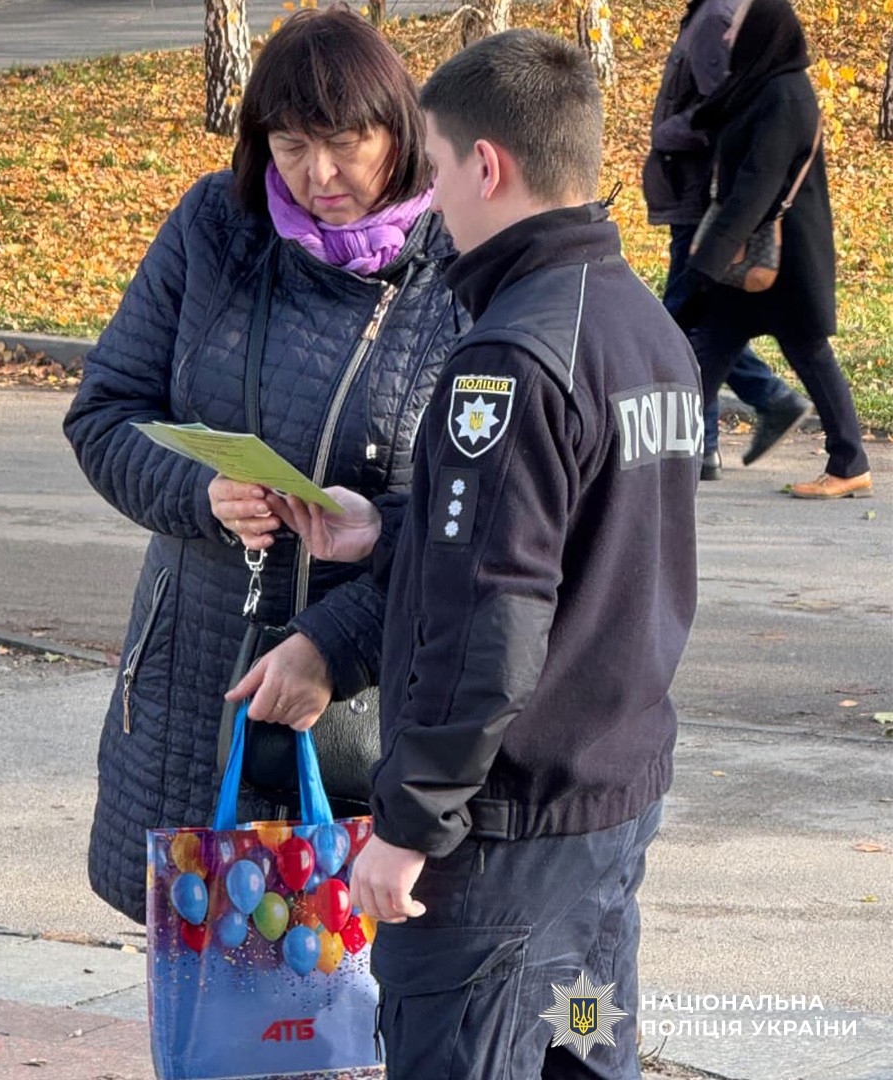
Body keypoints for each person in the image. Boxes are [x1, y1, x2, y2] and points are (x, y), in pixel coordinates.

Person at [272, 29, 701, 1078]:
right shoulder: (646, 328)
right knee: (584, 1057)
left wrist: (408, 829)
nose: (429, 191)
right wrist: (394, 529)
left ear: (488, 165)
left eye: (434, 158)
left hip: (497, 858)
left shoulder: (511, 358)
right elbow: (579, 546)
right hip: (606, 817)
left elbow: (492, 615)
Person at [63, 6, 467, 924]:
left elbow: (476, 512)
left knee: (340, 974)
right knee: (204, 979)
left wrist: (338, 639)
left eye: (345, 143)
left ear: (398, 129)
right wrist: (202, 494)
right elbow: (105, 413)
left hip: (363, 689)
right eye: (290, 146)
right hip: (195, 669)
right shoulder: (218, 224)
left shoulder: (455, 263)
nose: (319, 175)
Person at [670, 0, 872, 498]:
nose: (727, 34)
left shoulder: (786, 96)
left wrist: (704, 264)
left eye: (737, 26)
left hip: (781, 257)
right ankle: (665, 458)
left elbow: (754, 191)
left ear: (763, 30)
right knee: (709, 351)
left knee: (808, 354)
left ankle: (850, 463)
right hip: (756, 259)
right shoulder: (762, 86)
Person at [643, 0, 811, 481]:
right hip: (692, 196)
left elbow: (728, 111)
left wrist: (669, 132)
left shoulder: (717, 16)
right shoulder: (708, 13)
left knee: (681, 320)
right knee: (697, 321)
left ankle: (735, 420)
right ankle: (713, 440)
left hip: (700, 199)